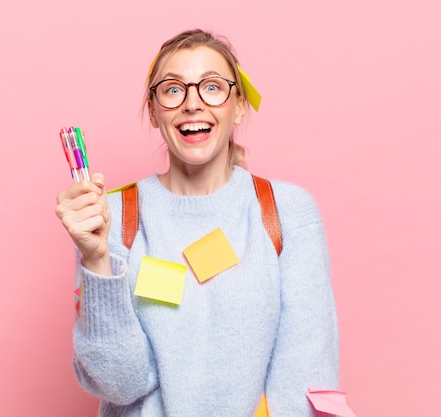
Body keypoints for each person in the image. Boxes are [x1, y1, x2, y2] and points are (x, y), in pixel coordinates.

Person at [55, 28, 339, 417]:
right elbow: (119, 384)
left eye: (211, 87)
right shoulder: (111, 216)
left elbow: (305, 375)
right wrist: (97, 260)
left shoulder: (288, 212)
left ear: (238, 105)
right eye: (173, 89)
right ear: (153, 111)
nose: (192, 103)